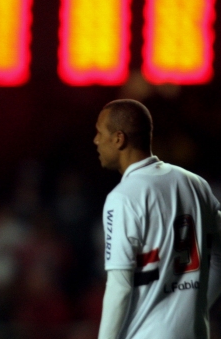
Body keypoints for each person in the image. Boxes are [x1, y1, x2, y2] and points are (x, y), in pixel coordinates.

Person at [94, 99, 221, 339]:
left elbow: (120, 287)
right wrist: (198, 307)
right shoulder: (196, 184)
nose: (96, 140)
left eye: (100, 133)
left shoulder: (122, 197)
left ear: (119, 139)